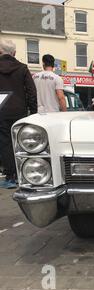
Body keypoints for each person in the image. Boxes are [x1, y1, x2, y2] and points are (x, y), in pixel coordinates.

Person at [0, 39, 37, 189]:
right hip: (20, 111)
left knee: (5, 143)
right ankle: (23, 174)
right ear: (14, 53)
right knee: (21, 143)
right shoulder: (22, 68)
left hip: (2, 110)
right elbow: (31, 91)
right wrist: (33, 112)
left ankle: (10, 177)